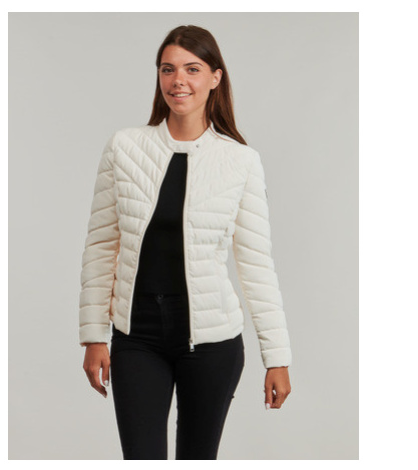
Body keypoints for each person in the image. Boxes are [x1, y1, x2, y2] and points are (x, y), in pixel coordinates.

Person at [79, 25, 292, 460]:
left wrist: (277, 356)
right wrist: (93, 336)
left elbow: (256, 263)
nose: (179, 80)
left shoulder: (240, 161)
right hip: (136, 337)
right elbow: (101, 246)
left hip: (213, 343)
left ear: (215, 77)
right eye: (168, 69)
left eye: (192, 69)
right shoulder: (124, 147)